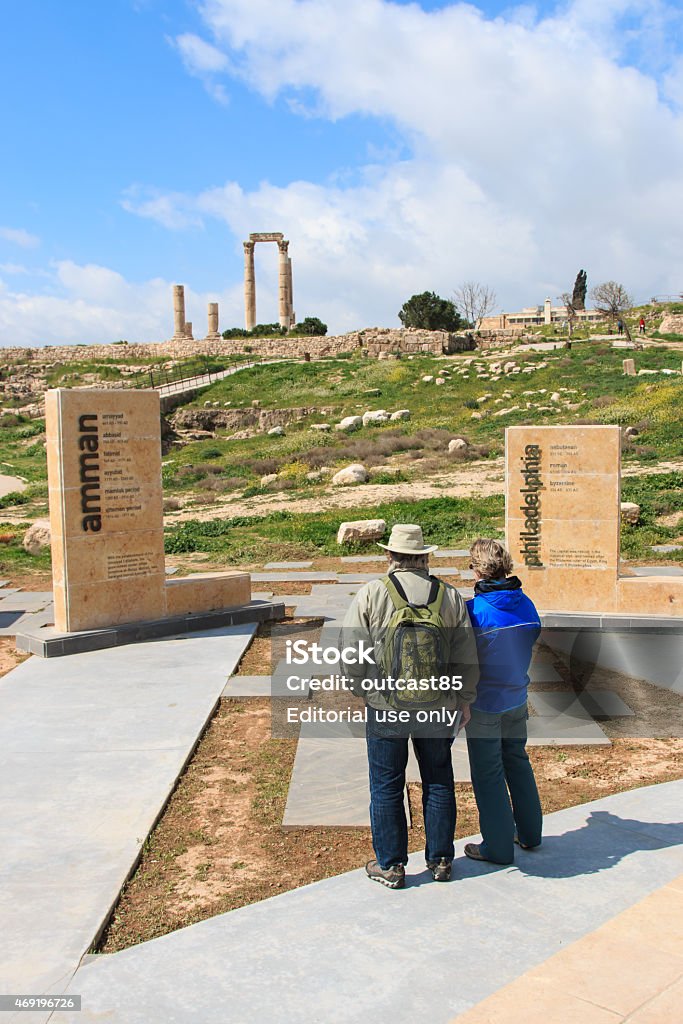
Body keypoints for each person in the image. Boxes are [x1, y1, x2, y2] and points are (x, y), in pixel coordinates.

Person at [342, 524, 479, 888]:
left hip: (386, 705)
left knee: (386, 784)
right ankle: (441, 859)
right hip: (437, 704)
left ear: (390, 556)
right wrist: (464, 699)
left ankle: (390, 865)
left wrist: (360, 687)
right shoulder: (448, 596)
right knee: (438, 779)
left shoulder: (372, 594)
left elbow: (352, 651)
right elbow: (466, 655)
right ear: (425, 557)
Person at [463, 539, 543, 865]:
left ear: (479, 569)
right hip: (517, 697)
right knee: (517, 762)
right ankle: (529, 833)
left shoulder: (475, 611)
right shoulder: (526, 603)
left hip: (484, 703)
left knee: (488, 774)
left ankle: (496, 846)